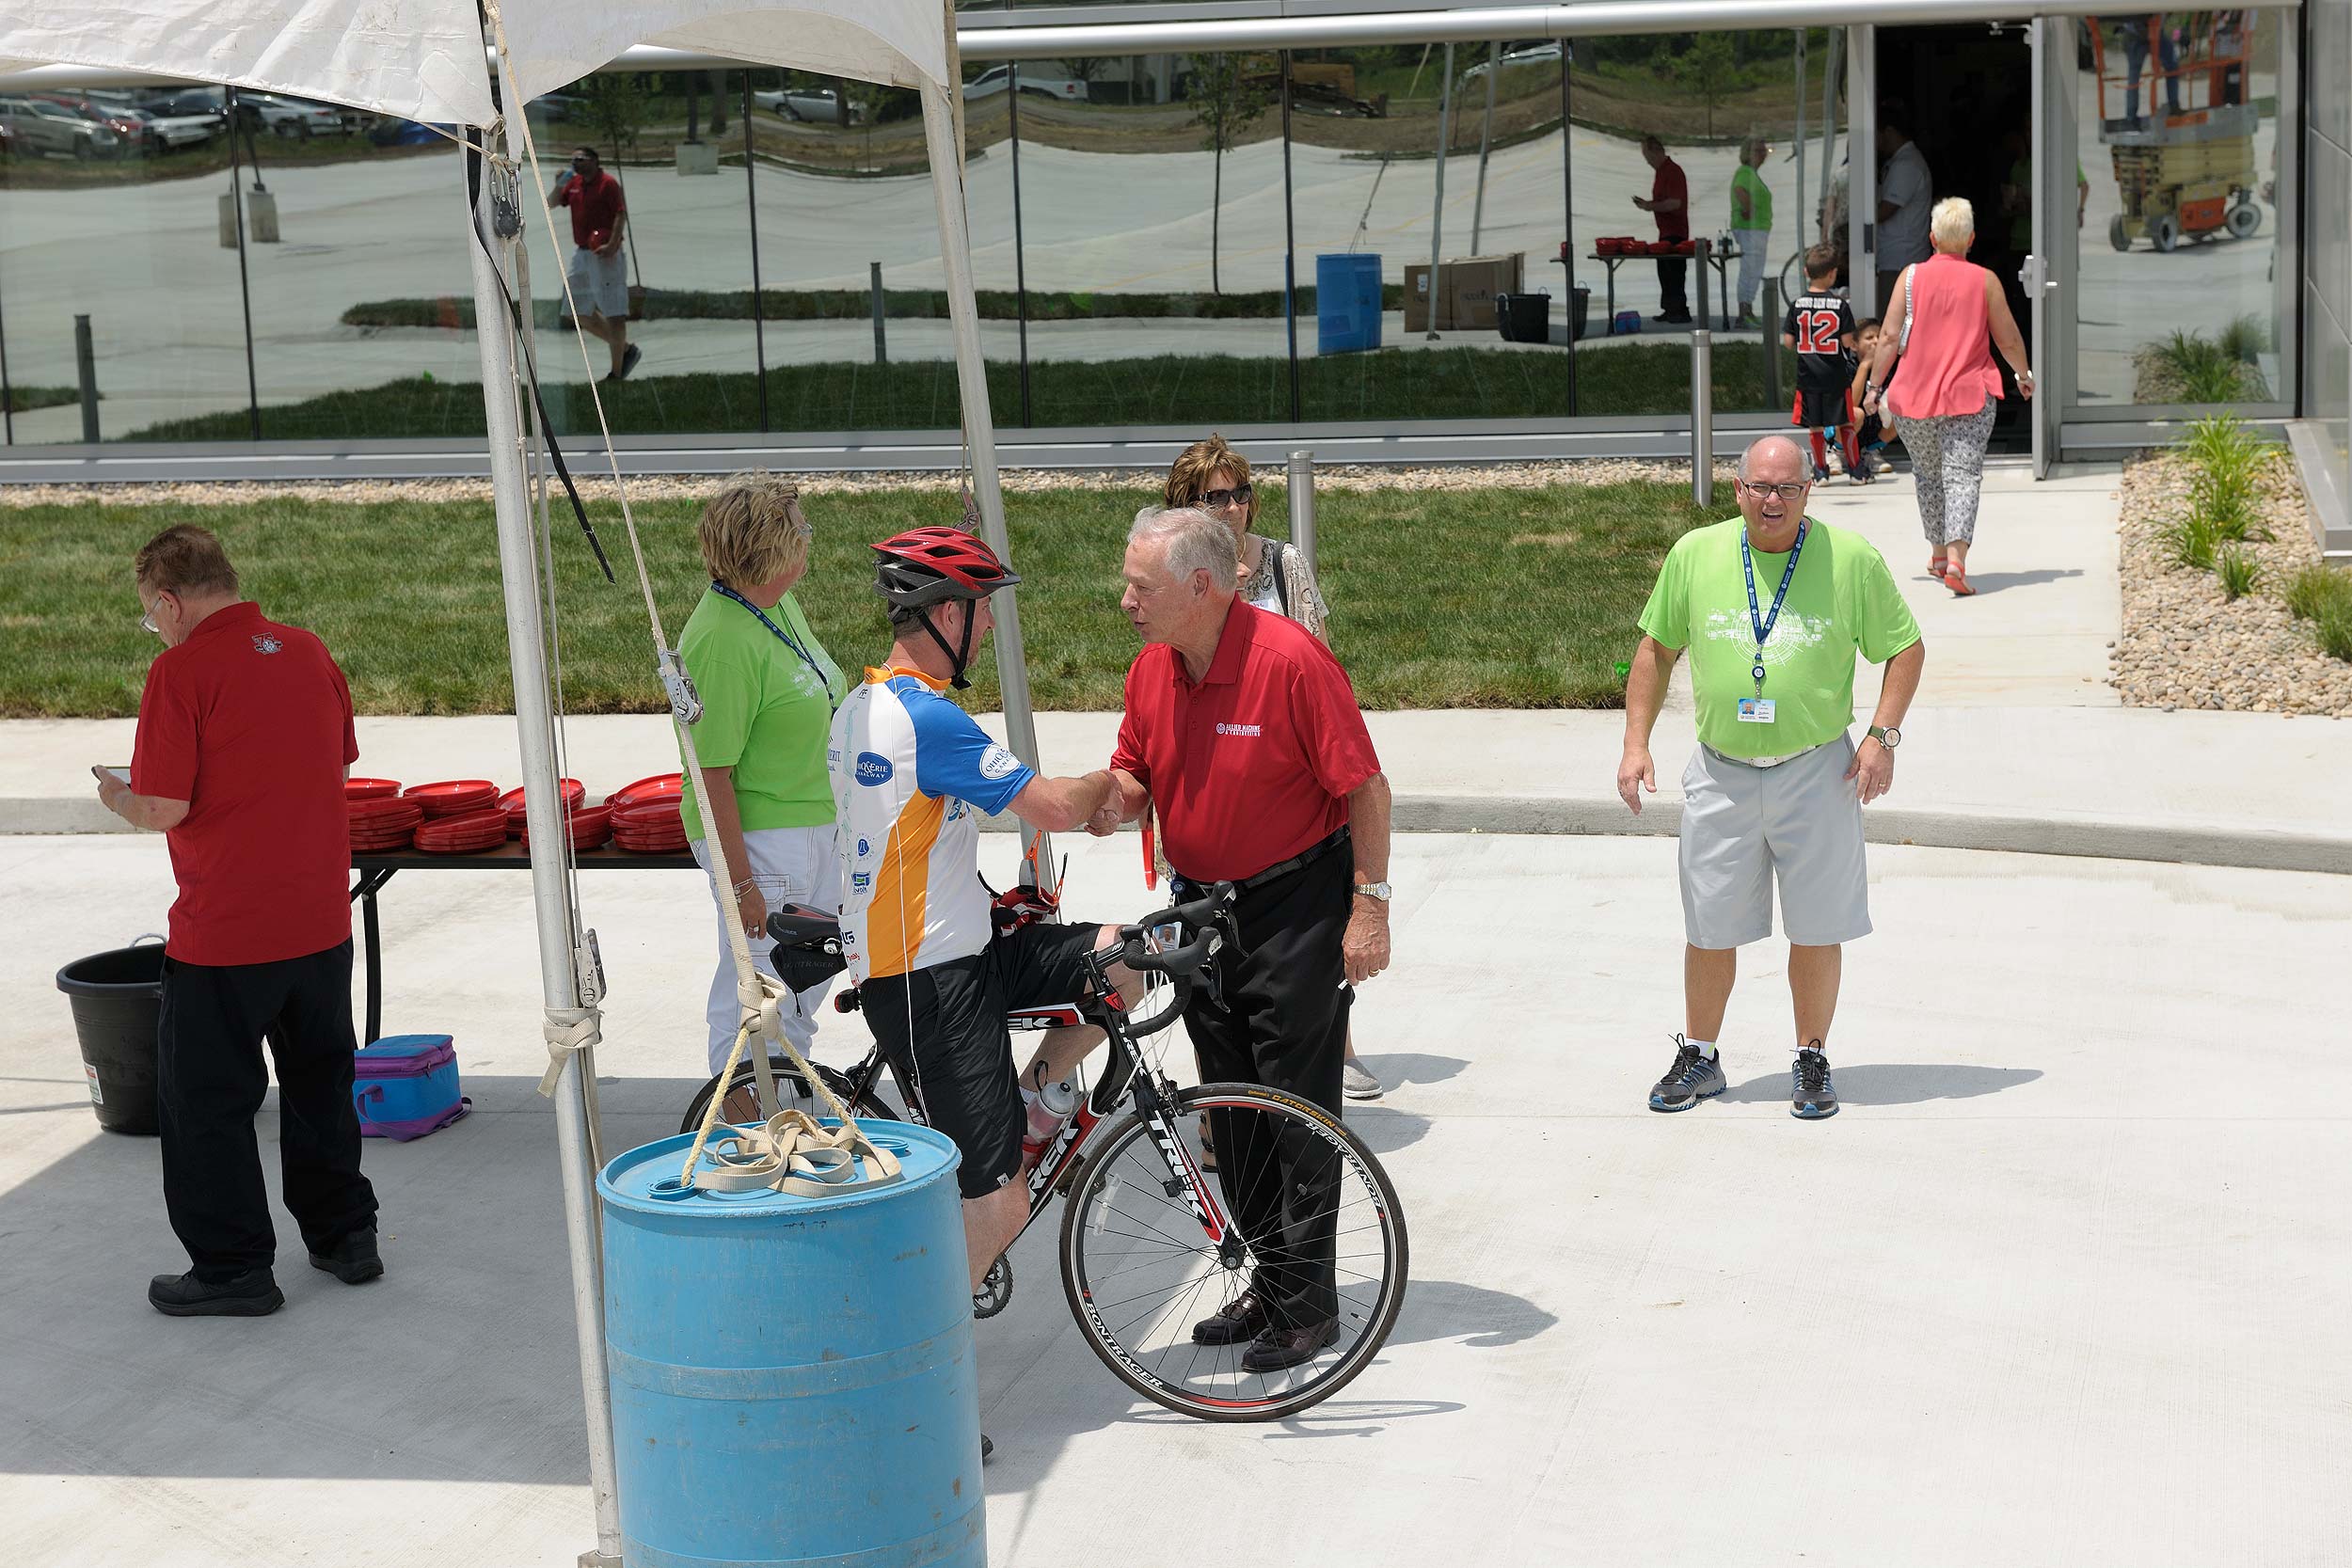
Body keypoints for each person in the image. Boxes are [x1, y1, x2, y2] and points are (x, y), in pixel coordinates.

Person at [1093, 507, 1394, 1373]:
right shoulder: (1154, 668)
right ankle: (1269, 1279)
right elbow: (1136, 771)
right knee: (1231, 1109)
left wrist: (1369, 908)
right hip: (1202, 912)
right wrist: (1099, 798)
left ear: (1202, 586)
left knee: (1296, 1108)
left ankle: (1309, 1305)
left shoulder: (1289, 661)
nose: (1126, 601)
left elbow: (1366, 788)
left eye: (1140, 587)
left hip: (1294, 906)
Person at [831, 526, 1138, 1300]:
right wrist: (1108, 783)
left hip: (962, 948)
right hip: (928, 980)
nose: (990, 622)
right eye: (981, 606)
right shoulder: (926, 719)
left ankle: (1031, 1106)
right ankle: (920, 1355)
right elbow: (1056, 807)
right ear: (946, 613)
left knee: (1129, 958)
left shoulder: (860, 705)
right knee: (999, 1206)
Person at [97, 526, 380, 1317]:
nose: (155, 629)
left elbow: (163, 805)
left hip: (226, 929)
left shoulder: (180, 670)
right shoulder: (308, 649)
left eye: (150, 616)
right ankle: (346, 1234)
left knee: (206, 1101)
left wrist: (115, 793)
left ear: (168, 602)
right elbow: (336, 761)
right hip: (318, 916)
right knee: (320, 1081)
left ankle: (232, 1266)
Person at [1616, 436, 1926, 1122]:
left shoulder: (1851, 559)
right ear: (1738, 490)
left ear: (1808, 491)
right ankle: (1701, 1054)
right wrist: (1636, 744)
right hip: (1721, 773)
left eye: (1788, 488)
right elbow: (1655, 650)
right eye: (1760, 486)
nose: (1773, 500)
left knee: (1816, 924)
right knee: (1709, 924)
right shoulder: (1696, 554)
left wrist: (1881, 737)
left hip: (1816, 769)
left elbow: (1905, 647)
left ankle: (1811, 1057)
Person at [1161, 435, 1382, 1102]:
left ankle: (1335, 1048)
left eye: (1240, 494)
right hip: (1215, 796)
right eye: (1215, 498)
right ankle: (1224, 1108)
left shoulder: (1282, 565)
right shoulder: (1175, 582)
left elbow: (1319, 659)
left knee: (1305, 977)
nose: (1232, 507)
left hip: (1290, 784)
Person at [675, 477, 847, 1081]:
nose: (809, 537)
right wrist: (742, 883)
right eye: (801, 529)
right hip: (763, 840)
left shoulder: (774, 602)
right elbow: (710, 775)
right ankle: (740, 1120)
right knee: (757, 996)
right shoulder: (720, 641)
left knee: (800, 991)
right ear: (775, 550)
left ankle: (786, 1111)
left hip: (811, 823)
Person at [1862, 198, 2035, 597]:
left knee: (1928, 474)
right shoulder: (1985, 280)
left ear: (1932, 237)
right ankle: (1957, 560)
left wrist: (1874, 387)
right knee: (1962, 476)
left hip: (1913, 398)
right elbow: (2007, 338)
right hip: (1969, 397)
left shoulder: (1909, 277)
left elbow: (1888, 337)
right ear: (1971, 239)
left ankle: (1939, 556)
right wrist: (2023, 375)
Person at [548, 146, 638, 382]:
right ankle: (624, 348)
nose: (576, 162)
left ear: (595, 161)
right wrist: (559, 184)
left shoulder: (608, 184)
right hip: (582, 254)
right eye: (573, 159)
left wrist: (613, 244)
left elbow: (620, 214)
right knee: (575, 311)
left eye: (581, 158)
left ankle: (616, 373)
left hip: (605, 253)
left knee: (614, 312)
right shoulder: (574, 183)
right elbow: (551, 203)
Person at [1783, 245, 1861, 483]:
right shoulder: (1840, 305)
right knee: (1846, 422)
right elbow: (1846, 342)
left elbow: (1788, 343)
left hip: (1808, 378)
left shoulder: (1797, 305)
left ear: (1806, 272)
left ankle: (1820, 471)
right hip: (1835, 375)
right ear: (1833, 274)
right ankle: (1856, 471)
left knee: (1815, 427)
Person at [1874, 105, 1933, 311]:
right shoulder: (1898, 162)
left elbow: (1885, 211)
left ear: (1889, 131)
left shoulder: (1907, 164)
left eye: (1877, 134)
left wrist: (1854, 219)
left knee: (1893, 322)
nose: (1875, 141)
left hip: (1901, 260)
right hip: (1894, 259)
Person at [1632, 135, 1692, 325]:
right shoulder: (1660, 172)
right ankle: (1670, 308)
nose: (1646, 160)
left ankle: (1680, 310)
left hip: (1676, 232)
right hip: (1665, 231)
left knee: (1674, 271)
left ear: (1656, 151)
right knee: (1664, 271)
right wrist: (1649, 204)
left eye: (1647, 155)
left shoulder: (1673, 171)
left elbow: (1675, 203)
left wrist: (1650, 206)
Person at [1730, 136, 1774, 329]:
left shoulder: (1751, 173)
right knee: (1750, 269)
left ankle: (1747, 309)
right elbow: (1739, 190)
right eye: (1757, 151)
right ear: (1747, 153)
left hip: (1757, 229)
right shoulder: (1745, 172)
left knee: (1754, 269)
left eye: (1763, 151)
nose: (1762, 154)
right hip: (1751, 229)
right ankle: (1744, 311)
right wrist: (1749, 209)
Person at [1846, 317, 1887, 480]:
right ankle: (1839, 452)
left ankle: (1872, 452)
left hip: (1873, 429)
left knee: (1901, 407)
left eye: (1879, 337)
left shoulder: (1888, 367)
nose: (1876, 341)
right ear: (1854, 345)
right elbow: (1851, 404)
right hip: (1845, 432)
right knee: (1856, 413)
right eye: (1869, 338)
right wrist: (1864, 366)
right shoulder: (1847, 366)